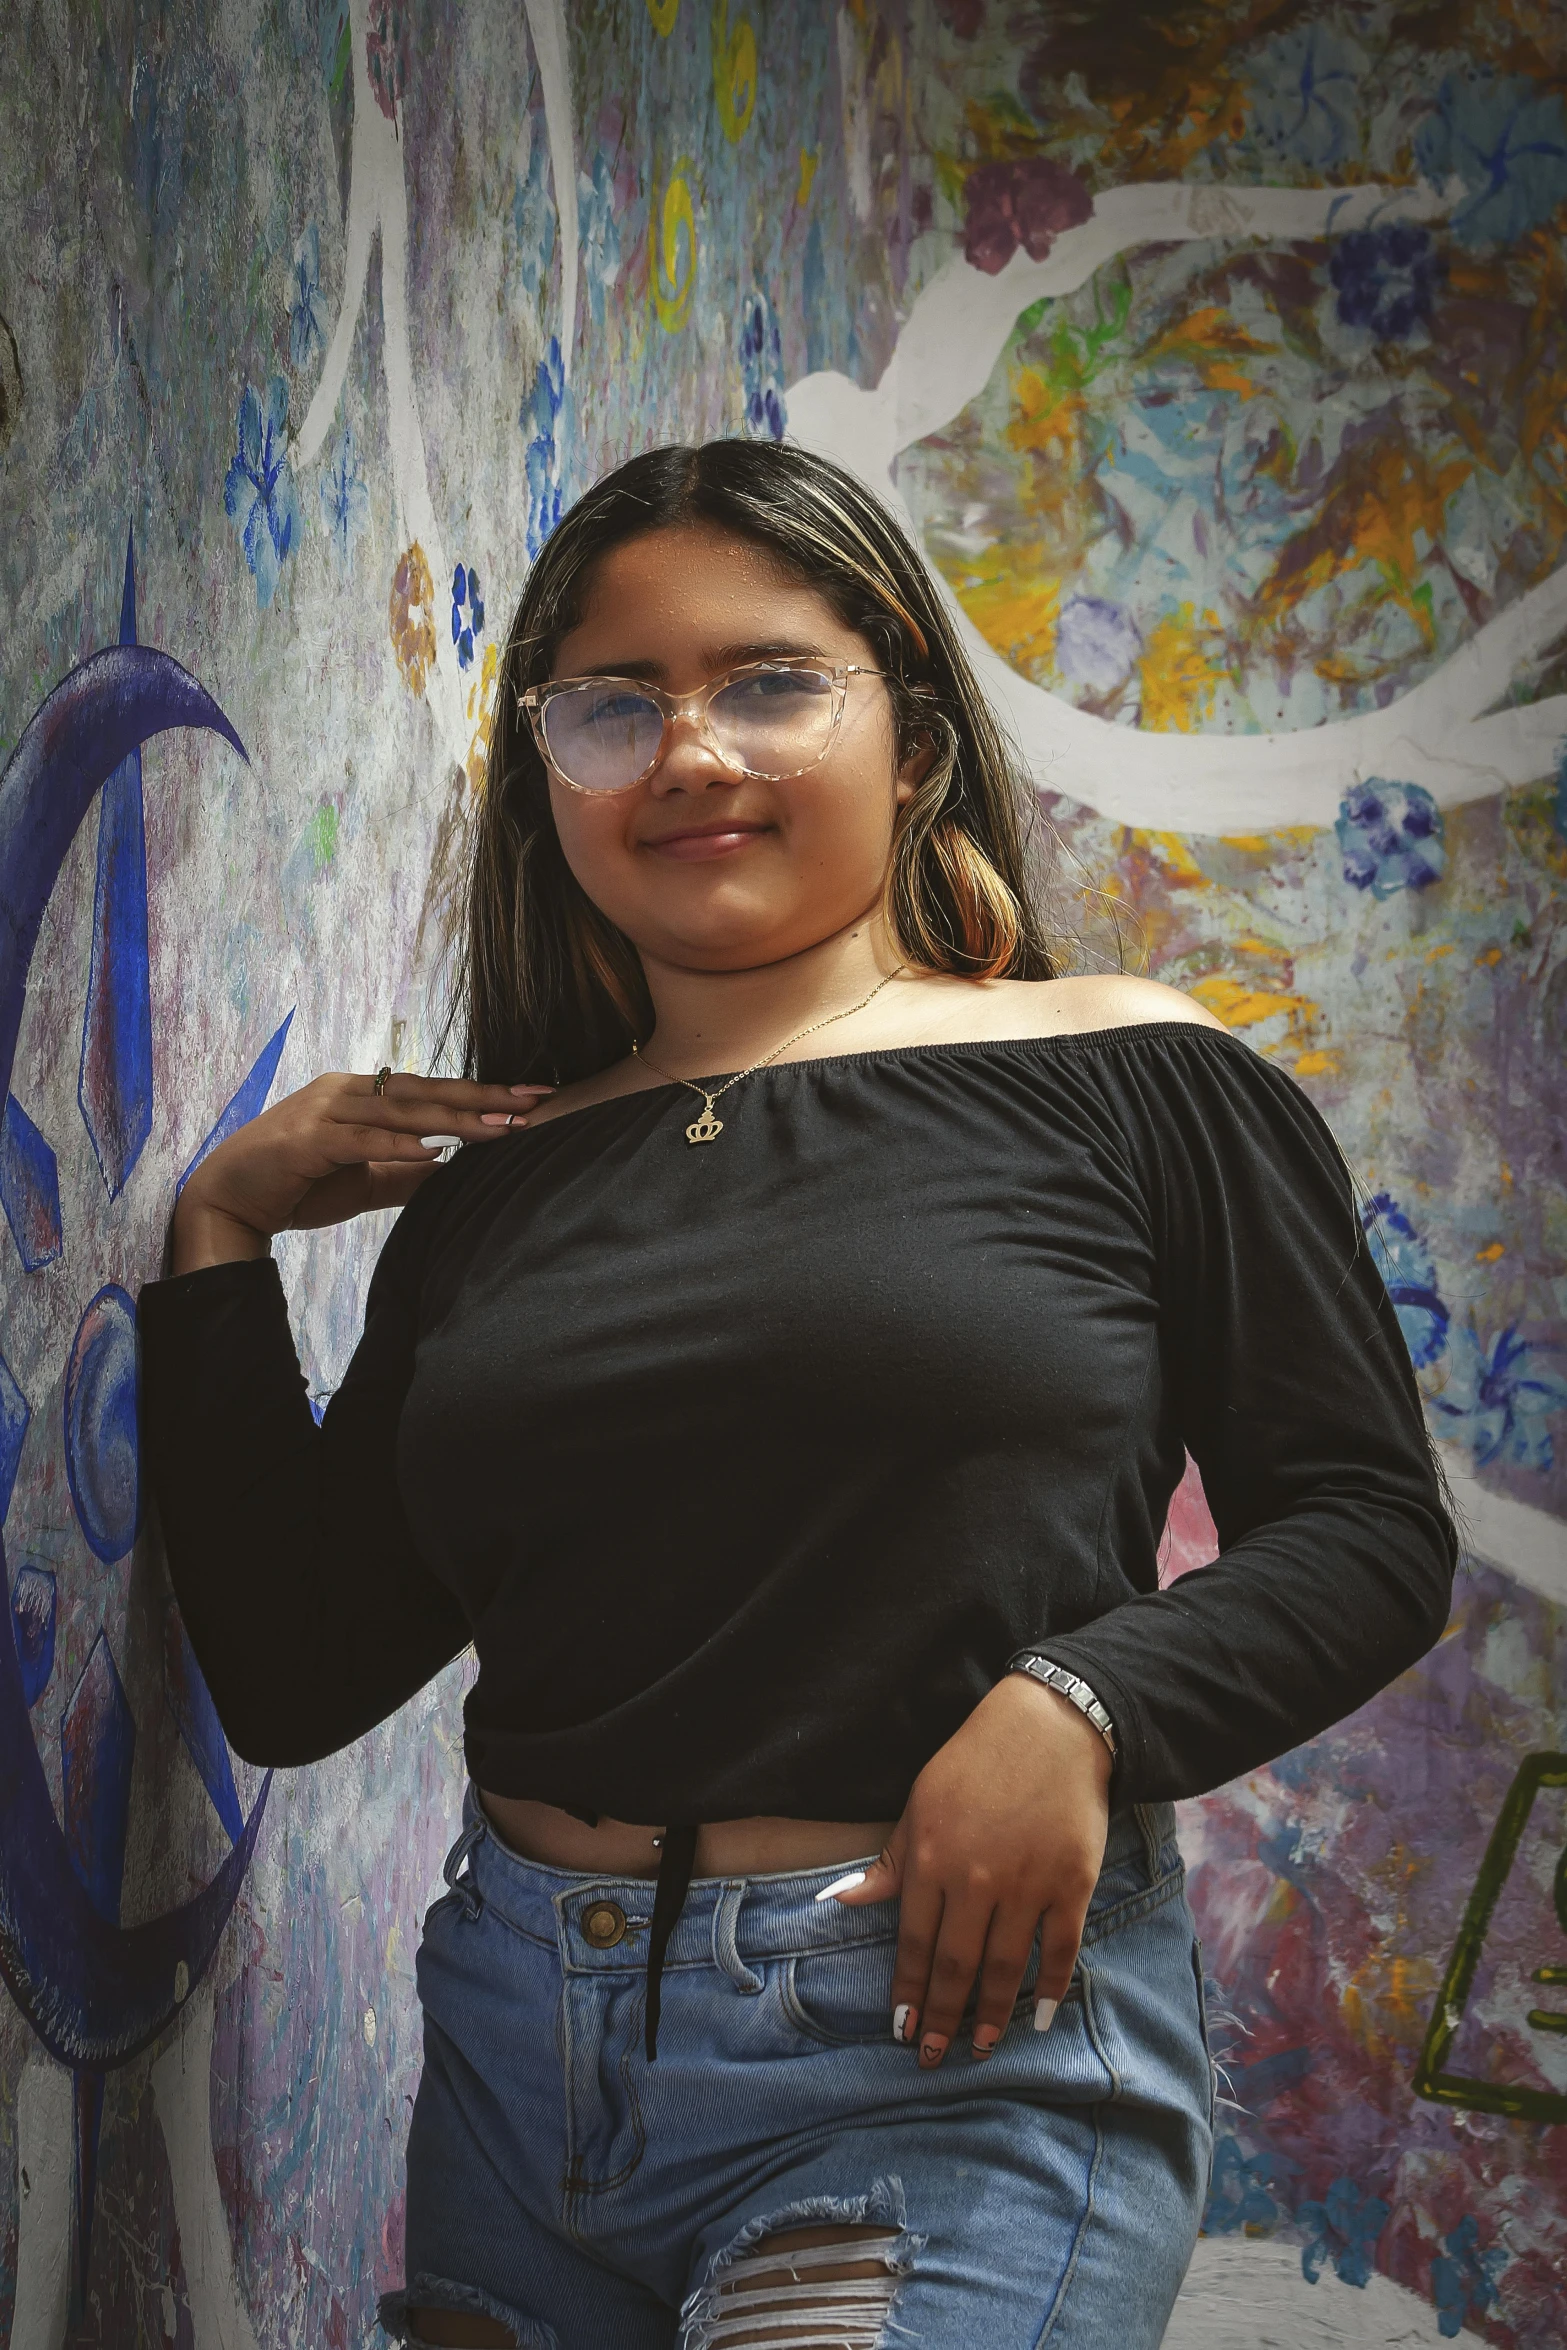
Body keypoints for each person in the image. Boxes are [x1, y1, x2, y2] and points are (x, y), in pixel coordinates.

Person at [140, 439, 1456, 2350]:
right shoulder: (496, 1182)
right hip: (516, 2063)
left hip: (941, 2055)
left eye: (768, 681)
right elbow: (300, 1666)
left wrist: (1080, 1703)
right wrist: (218, 1239)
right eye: (612, 707)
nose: (688, 751)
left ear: (908, 740)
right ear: (552, 773)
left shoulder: (1131, 1077)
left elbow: (1365, 1527)